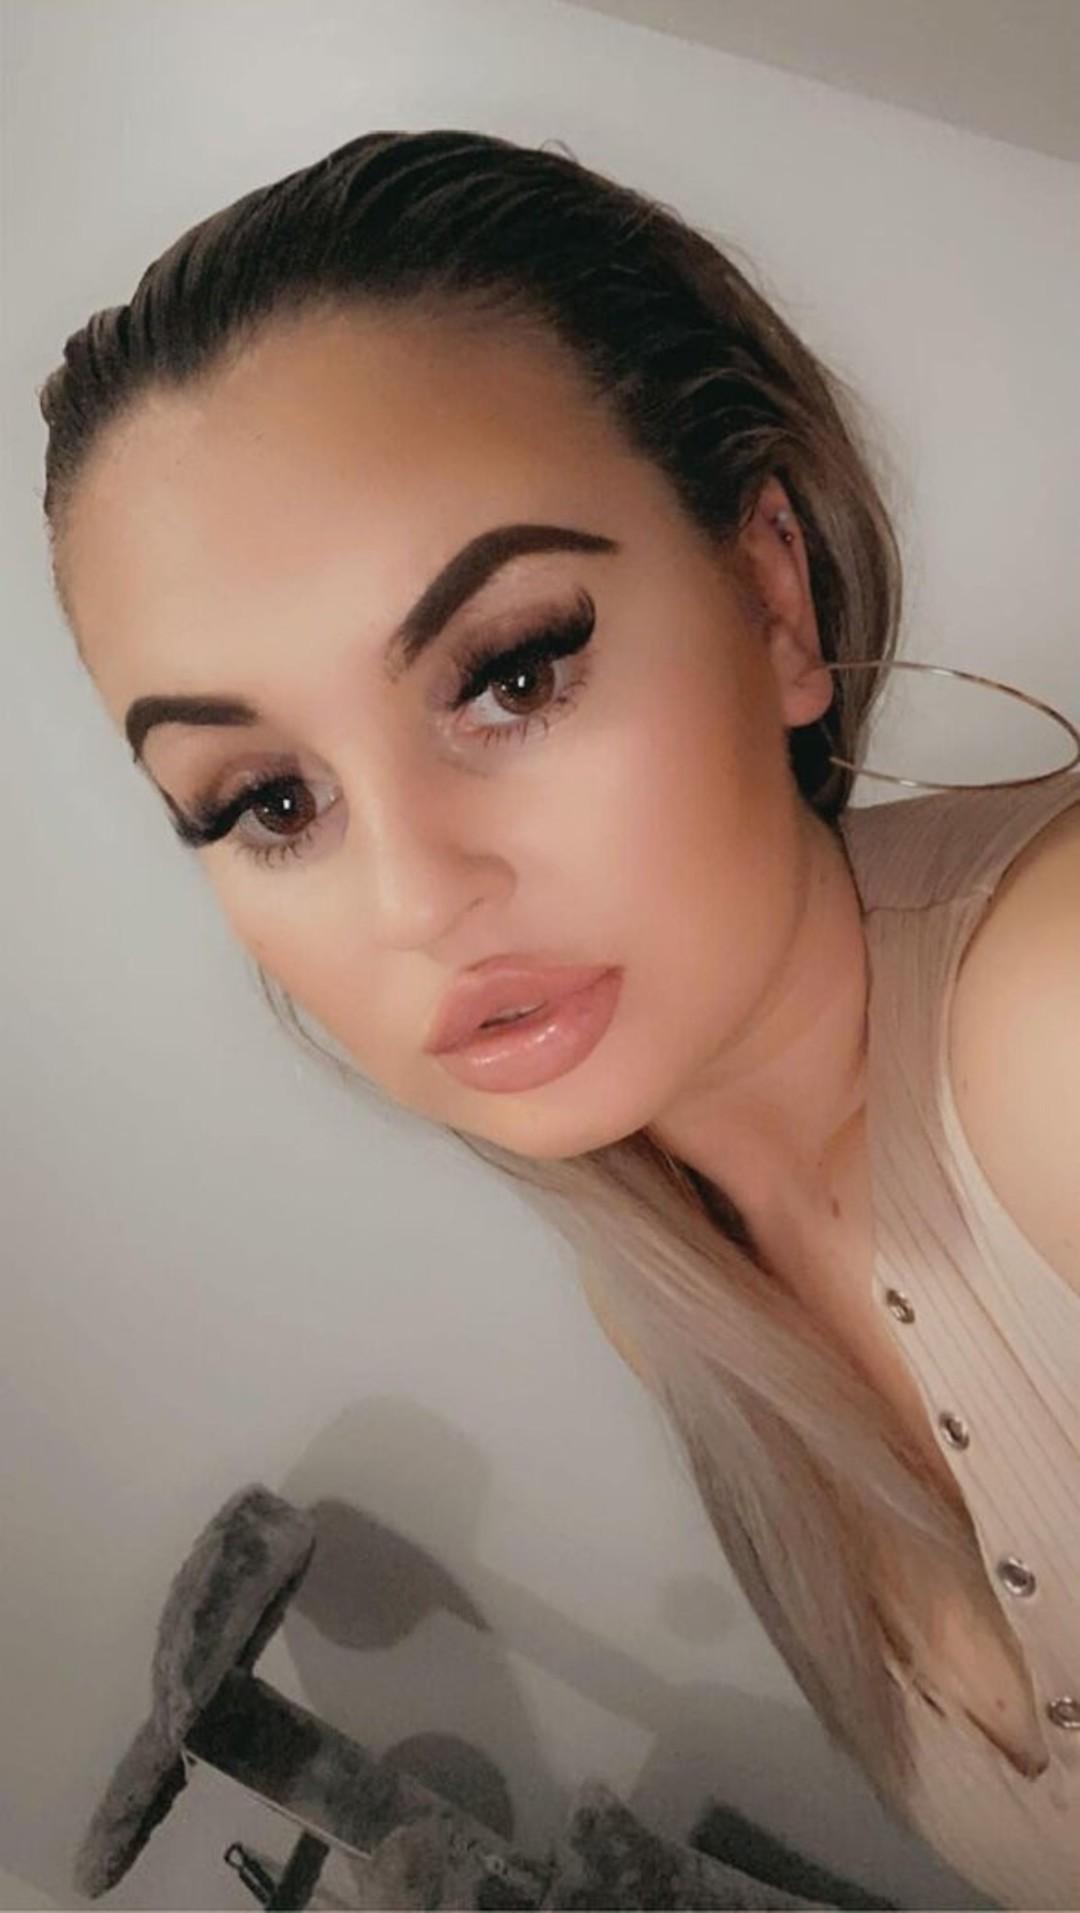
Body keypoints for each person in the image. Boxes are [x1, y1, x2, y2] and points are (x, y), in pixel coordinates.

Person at [37, 128, 1079, 1907]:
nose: (415, 896)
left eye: (513, 673)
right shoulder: (653, 1282)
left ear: (772, 596)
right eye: (269, 800)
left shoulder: (1053, 1022)